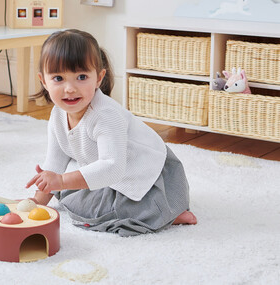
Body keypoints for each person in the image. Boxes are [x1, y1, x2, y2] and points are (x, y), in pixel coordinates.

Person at [26, 29, 197, 236]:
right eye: (58, 78)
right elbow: (55, 161)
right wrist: (37, 202)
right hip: (112, 175)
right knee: (70, 194)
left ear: (99, 78)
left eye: (81, 77)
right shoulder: (57, 115)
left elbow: (112, 167)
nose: (69, 88)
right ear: (44, 81)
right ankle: (159, 212)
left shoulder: (105, 115)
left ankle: (167, 211)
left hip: (150, 177)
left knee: (96, 208)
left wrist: (62, 181)